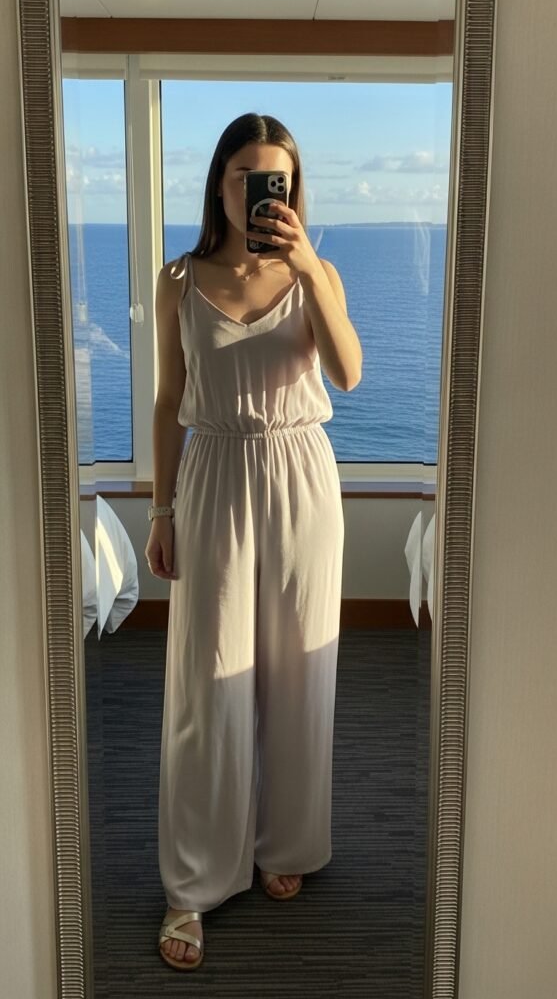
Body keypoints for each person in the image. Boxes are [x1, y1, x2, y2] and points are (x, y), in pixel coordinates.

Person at [145, 112, 362, 971]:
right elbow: (169, 402)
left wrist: (307, 268)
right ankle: (194, 881)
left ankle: (287, 842)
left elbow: (347, 373)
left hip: (302, 475)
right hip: (215, 475)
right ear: (219, 182)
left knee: (299, 672)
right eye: (244, 175)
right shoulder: (178, 278)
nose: (260, 191)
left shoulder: (318, 273)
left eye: (275, 178)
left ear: (295, 189)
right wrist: (160, 511)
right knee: (209, 684)